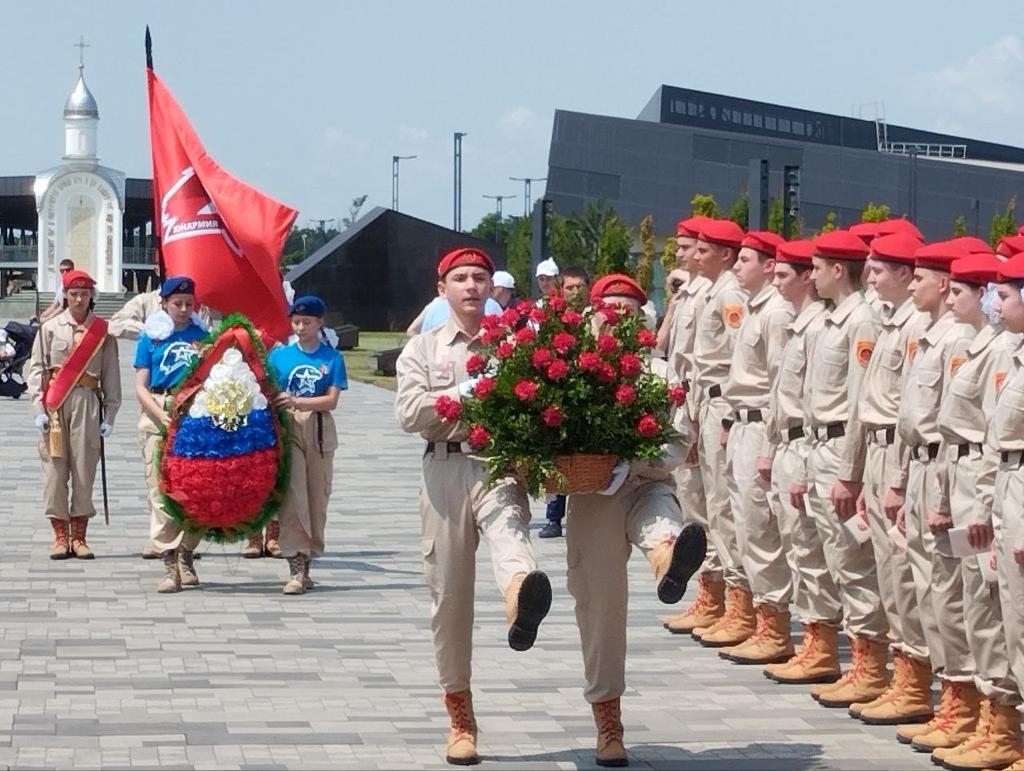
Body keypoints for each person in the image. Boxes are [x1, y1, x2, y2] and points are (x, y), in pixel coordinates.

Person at [395, 246, 552, 766]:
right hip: (443, 470)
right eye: (460, 278)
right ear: (442, 289)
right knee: (449, 598)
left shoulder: (513, 344)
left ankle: (521, 600)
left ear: (492, 288)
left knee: (512, 537)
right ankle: (460, 716)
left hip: (498, 462)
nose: (471, 286)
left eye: (480, 278)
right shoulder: (422, 349)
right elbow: (411, 413)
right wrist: (465, 391)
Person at [565, 272, 707, 768]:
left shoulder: (659, 372)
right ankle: (608, 721)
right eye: (611, 309)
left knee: (662, 523)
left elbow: (676, 442)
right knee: (600, 609)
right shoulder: (574, 372)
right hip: (591, 495)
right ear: (596, 315)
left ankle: (671, 561)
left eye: (629, 310)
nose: (619, 317)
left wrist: (634, 463)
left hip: (646, 482)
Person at [786, 230, 889, 709]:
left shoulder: (860, 321)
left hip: (840, 452)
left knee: (853, 558)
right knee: (829, 554)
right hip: (817, 447)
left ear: (837, 269)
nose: (813, 273)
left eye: (818, 265)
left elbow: (856, 403)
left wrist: (851, 471)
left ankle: (870, 666)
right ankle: (845, 655)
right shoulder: (831, 319)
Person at [931, 254, 1023, 770]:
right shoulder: (1002, 350)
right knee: (980, 601)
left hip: (1000, 490)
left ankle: (1000, 720)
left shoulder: (1003, 352)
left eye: (1002, 294)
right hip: (983, 485)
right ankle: (992, 715)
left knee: (1003, 608)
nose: (993, 302)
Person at [838, 233, 933, 727]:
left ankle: (914, 681)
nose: (869, 278)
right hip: (876, 451)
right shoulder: (892, 321)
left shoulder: (916, 326)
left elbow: (910, 412)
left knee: (901, 573)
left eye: (879, 271)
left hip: (898, 452)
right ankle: (893, 673)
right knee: (887, 572)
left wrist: (894, 478)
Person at [891, 240, 977, 749]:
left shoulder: (958, 342)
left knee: (950, 591)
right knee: (927, 587)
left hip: (947, 472)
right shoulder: (928, 334)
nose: (914, 285)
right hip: (922, 467)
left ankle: (965, 703)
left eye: (920, 277)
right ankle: (951, 698)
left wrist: (940, 494)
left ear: (944, 284)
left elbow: (953, 426)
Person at [759, 240, 844, 684]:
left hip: (813, 445)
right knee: (801, 547)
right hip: (794, 442)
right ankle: (817, 640)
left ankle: (827, 644)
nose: (775, 282)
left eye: (784, 275)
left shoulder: (819, 327)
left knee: (820, 552)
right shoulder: (799, 324)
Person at [716, 230, 794, 661]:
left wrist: (769, 444)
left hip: (762, 423)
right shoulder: (754, 307)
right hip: (742, 421)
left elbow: (778, 384)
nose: (738, 266)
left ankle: (774, 624)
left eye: (746, 259)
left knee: (760, 527)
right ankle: (756, 614)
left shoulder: (776, 314)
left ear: (768, 265)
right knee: (742, 522)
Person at [688, 219, 754, 646]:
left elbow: (738, 359)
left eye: (703, 250)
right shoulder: (713, 290)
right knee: (712, 505)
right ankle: (725, 600)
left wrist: (729, 417)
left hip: (722, 404)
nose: (694, 256)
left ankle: (741, 607)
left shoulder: (729, 294)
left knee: (726, 508)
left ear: (725, 255)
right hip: (705, 401)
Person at [27, 269, 121, 559]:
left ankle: (79, 536)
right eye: (73, 294)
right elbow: (36, 371)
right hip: (55, 406)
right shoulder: (49, 328)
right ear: (65, 296)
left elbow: (112, 377)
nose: (79, 299)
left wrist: (109, 416)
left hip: (87, 404)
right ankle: (59, 535)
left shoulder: (102, 333)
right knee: (54, 472)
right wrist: (38, 408)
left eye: (84, 294)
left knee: (84, 469)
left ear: (92, 295)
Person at [662, 215, 720, 635]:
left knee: (708, 508)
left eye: (691, 248)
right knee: (693, 503)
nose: (683, 255)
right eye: (684, 248)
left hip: (704, 404)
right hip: (686, 399)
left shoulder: (712, 296)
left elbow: (707, 363)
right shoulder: (689, 293)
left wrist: (696, 418)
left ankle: (721, 599)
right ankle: (710, 593)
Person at [133, 276, 209, 592]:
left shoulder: (203, 336)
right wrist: (159, 413)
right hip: (159, 413)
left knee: (197, 490)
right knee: (160, 491)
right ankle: (169, 564)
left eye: (188, 304)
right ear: (163, 303)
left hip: (196, 413)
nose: (182, 309)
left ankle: (186, 554)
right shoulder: (151, 337)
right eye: (176, 303)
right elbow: (140, 385)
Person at [268, 295, 347, 595]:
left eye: (308, 322)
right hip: (289, 426)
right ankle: (295, 565)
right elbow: (271, 392)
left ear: (320, 323)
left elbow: (332, 400)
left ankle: (309, 559)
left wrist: (299, 400)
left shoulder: (331, 358)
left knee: (317, 496)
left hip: (319, 427)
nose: (301, 328)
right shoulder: (280, 356)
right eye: (297, 322)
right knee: (294, 495)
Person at [538, 266, 593, 540]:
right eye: (569, 288)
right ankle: (553, 517)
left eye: (580, 287)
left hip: (590, 395)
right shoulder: (553, 319)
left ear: (588, 290)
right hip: (560, 396)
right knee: (558, 457)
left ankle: (585, 515)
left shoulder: (597, 319)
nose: (575, 292)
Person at [407, 287, 502, 337]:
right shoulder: (493, 305)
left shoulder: (434, 305)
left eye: (478, 278)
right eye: (460, 279)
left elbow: (411, 331)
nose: (471, 285)